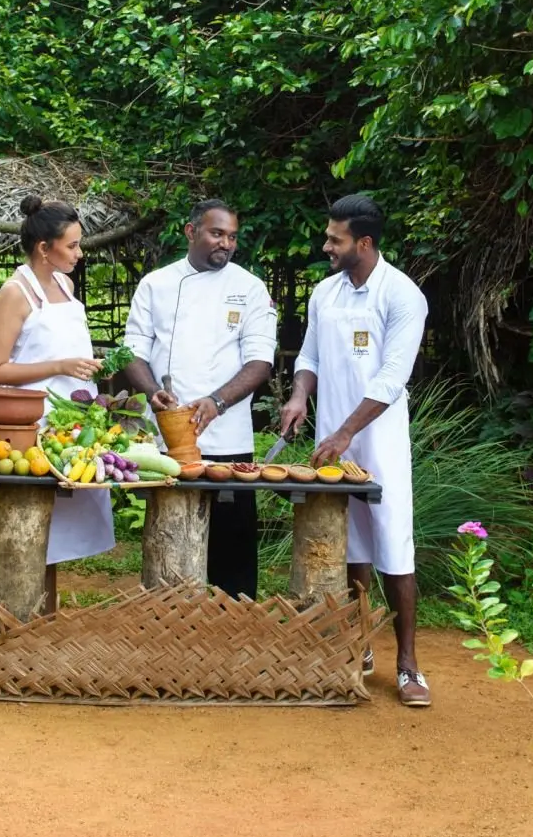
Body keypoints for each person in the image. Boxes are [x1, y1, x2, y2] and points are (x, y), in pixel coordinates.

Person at [280, 194, 431, 707]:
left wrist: (346, 432)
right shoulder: (325, 293)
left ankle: (408, 663)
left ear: (363, 243)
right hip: (333, 435)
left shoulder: (403, 296)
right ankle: (359, 644)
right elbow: (309, 354)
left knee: (393, 543)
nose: (326, 246)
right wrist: (300, 394)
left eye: (335, 239)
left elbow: (392, 378)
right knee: (349, 544)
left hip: (378, 439)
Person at [122, 199, 277, 598]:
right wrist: (150, 390)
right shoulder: (155, 285)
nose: (225, 243)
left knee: (233, 548)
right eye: (216, 233)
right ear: (191, 233)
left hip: (228, 441)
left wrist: (217, 402)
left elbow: (260, 363)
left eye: (232, 237)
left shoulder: (250, 288)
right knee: (170, 541)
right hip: (169, 440)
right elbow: (133, 352)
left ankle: (236, 629)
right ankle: (170, 629)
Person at [0, 195, 115, 608]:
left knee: (59, 528)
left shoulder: (65, 285)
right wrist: (60, 365)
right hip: (32, 426)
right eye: (72, 245)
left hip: (73, 424)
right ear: (44, 248)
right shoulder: (16, 293)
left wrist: (83, 369)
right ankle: (26, 620)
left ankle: (44, 619)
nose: (79, 252)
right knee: (34, 524)